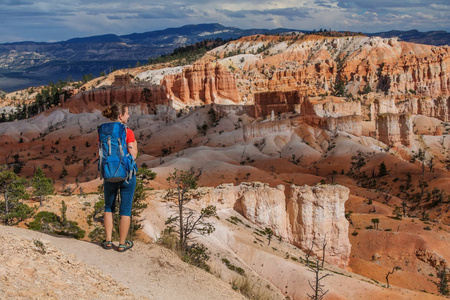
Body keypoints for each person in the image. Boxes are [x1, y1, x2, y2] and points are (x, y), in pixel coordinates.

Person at [100, 102, 137, 252]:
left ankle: (108, 241)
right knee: (125, 209)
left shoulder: (104, 131)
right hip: (126, 175)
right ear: (121, 116)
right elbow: (133, 154)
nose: (129, 116)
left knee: (108, 207)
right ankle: (122, 244)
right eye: (127, 113)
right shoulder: (128, 131)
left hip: (109, 173)